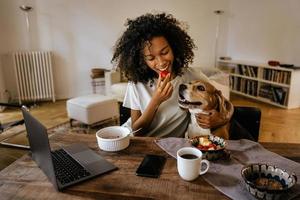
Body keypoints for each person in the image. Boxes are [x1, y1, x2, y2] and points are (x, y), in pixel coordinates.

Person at [111, 13, 233, 137]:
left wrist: (222, 119)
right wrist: (156, 100)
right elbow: (136, 131)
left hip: (170, 146)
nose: (161, 62)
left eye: (165, 52)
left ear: (174, 48)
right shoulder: (137, 84)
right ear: (142, 60)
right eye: (151, 58)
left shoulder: (191, 77)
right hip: (135, 141)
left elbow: (223, 101)